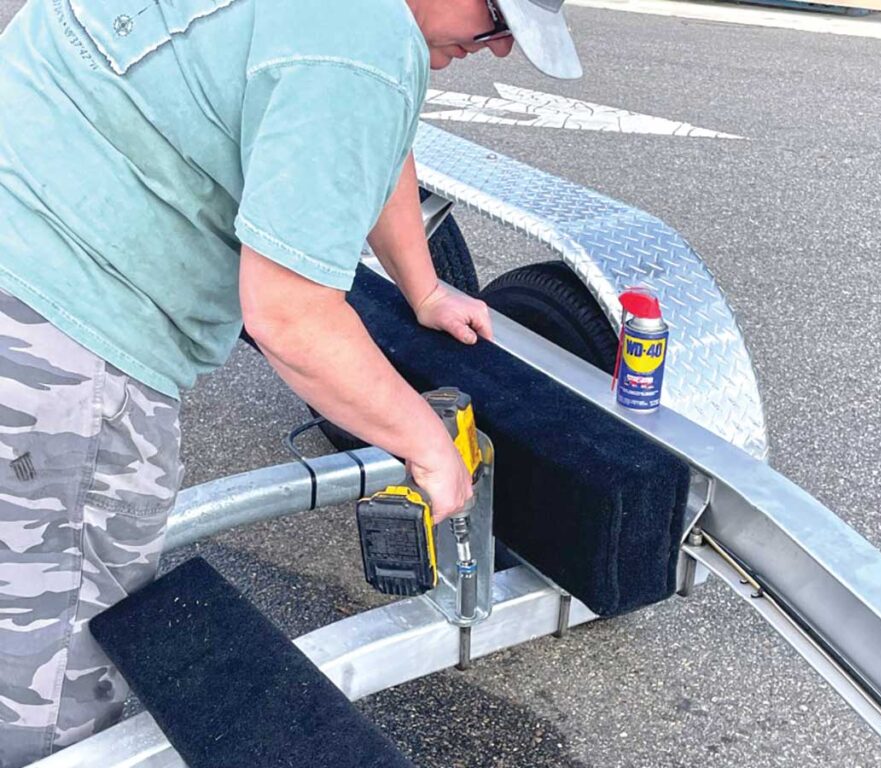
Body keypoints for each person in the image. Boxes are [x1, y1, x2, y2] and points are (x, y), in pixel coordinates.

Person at [0, 0, 582, 763]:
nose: (499, 49)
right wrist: (426, 445)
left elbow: (375, 139)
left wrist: (424, 288)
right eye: (497, 19)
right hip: (56, 337)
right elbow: (290, 316)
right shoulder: (363, 40)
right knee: (51, 668)